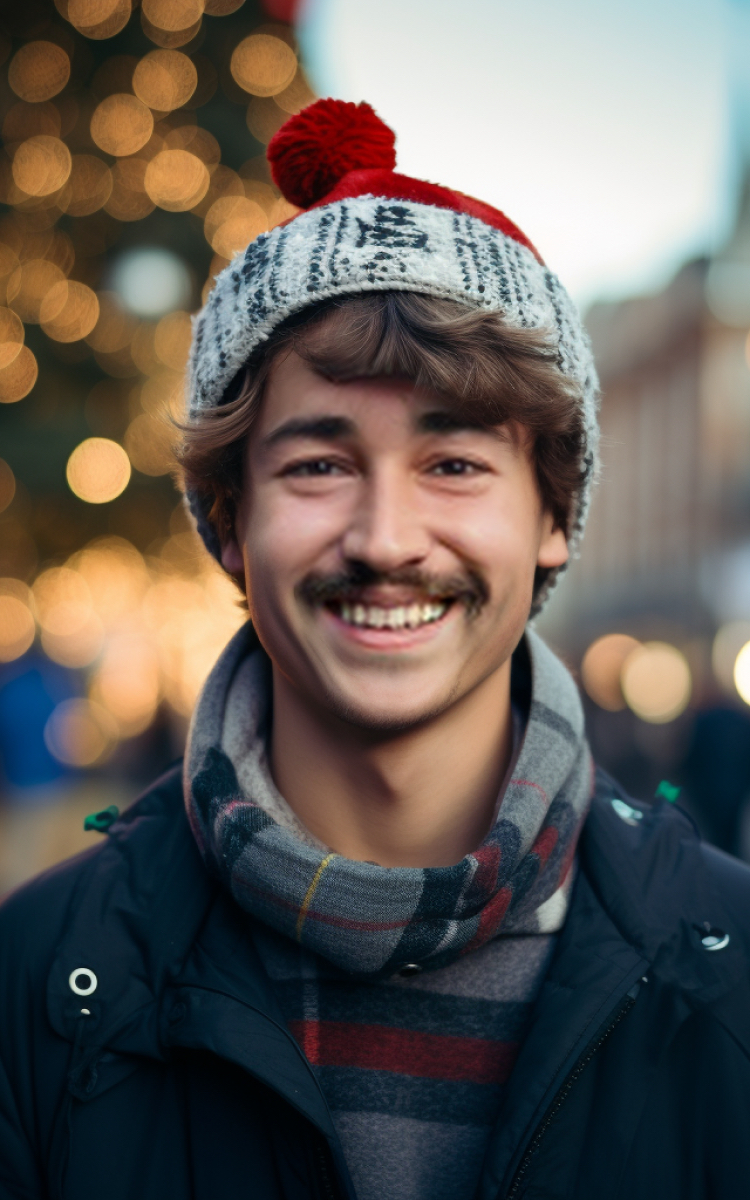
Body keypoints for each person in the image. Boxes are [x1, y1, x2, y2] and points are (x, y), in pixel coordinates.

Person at [1, 99, 749, 1200]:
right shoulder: (33, 980)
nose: (387, 540)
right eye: (317, 465)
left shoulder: (729, 968)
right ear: (229, 520)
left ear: (551, 514)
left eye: (454, 465)